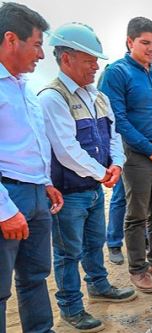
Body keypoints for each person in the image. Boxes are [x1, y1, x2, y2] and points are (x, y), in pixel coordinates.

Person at [39, 22, 137, 331]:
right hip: (68, 193)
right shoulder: (52, 98)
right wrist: (103, 172)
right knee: (68, 253)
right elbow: (66, 150)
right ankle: (71, 306)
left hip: (94, 189)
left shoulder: (97, 97)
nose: (96, 66)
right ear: (66, 59)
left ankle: (99, 285)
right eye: (89, 59)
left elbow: (113, 136)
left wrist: (116, 165)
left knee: (94, 243)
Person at [101, 17, 152, 293]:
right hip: (138, 155)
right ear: (130, 42)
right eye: (145, 43)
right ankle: (138, 268)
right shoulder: (117, 73)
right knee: (136, 214)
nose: (151, 49)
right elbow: (119, 120)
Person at [0, 4, 63, 333]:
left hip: (36, 195)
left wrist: (45, 182)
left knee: (35, 277)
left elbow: (30, 143)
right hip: (7, 198)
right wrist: (4, 210)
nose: (41, 54)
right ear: (11, 39)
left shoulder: (25, 85)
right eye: (37, 44)